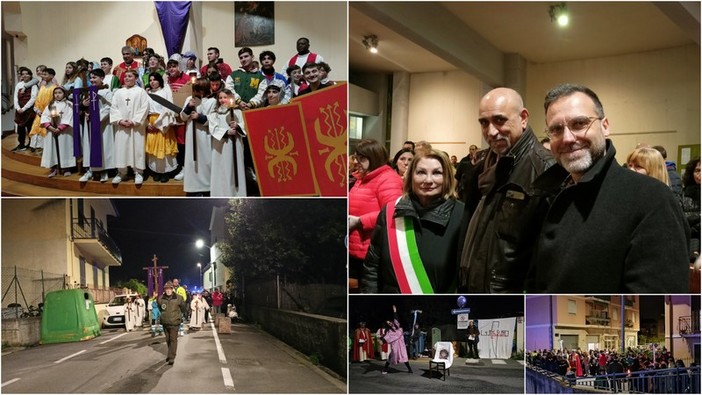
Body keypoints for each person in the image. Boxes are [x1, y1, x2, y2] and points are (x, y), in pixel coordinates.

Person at [527, 83, 690, 292]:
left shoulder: (651, 198)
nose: (567, 138)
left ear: (605, 126)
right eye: (556, 129)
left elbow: (659, 297)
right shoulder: (551, 193)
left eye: (579, 123)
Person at [458, 87, 554, 293]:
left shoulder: (544, 171)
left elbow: (549, 257)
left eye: (499, 120)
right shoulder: (483, 167)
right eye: (484, 123)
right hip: (473, 286)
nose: (491, 132)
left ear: (523, 118)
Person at [362, 149, 464, 293]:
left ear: (447, 177)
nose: (428, 180)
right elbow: (372, 268)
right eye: (421, 172)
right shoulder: (390, 212)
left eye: (437, 173)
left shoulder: (462, 215)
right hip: (392, 311)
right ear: (410, 176)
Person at [348, 139, 403, 292]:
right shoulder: (363, 177)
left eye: (362, 158)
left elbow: (392, 212)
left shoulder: (388, 179)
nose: (357, 161)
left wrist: (360, 221)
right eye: (355, 157)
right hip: (357, 249)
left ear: (375, 158)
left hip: (371, 251)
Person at [110, 69, 149, 185]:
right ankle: (122, 172)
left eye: (130, 76)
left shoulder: (141, 92)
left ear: (136, 78)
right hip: (122, 127)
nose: (127, 78)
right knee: (122, 148)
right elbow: (114, 108)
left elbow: (145, 107)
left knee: (137, 148)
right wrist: (120, 120)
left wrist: (134, 121)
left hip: (136, 127)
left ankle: (138, 172)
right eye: (125, 76)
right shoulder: (118, 92)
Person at [180, 78, 216, 196]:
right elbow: (183, 117)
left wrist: (200, 117)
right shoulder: (189, 99)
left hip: (204, 136)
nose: (198, 92)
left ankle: (206, 187)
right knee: (192, 161)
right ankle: (193, 188)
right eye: (196, 89)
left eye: (200, 89)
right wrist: (189, 107)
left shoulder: (212, 101)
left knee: (205, 161)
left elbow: (214, 120)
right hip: (191, 135)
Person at [208, 89, 247, 197]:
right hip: (221, 146)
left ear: (231, 98)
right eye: (220, 98)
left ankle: (237, 194)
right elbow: (213, 128)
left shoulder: (238, 112)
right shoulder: (214, 113)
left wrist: (237, 126)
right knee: (222, 170)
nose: (222, 100)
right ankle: (222, 195)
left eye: (225, 97)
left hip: (236, 144)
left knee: (235, 170)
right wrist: (226, 132)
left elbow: (245, 126)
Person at [79, 69, 115, 183]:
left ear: (102, 78)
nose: (92, 80)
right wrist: (84, 106)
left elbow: (109, 107)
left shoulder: (106, 92)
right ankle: (90, 170)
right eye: (91, 78)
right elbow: (84, 105)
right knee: (89, 146)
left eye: (95, 77)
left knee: (103, 146)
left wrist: (97, 118)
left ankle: (104, 170)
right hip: (89, 122)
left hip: (102, 124)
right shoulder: (89, 91)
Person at [145, 72, 178, 183]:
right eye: (150, 80)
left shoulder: (165, 91)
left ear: (160, 80)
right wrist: (147, 124)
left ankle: (165, 172)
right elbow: (144, 110)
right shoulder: (147, 93)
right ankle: (156, 171)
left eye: (155, 79)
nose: (152, 82)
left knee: (164, 148)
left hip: (163, 122)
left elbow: (168, 107)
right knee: (153, 148)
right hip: (151, 121)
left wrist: (158, 124)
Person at [40, 86, 76, 177]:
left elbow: (69, 117)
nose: (57, 95)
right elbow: (45, 116)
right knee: (53, 149)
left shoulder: (68, 104)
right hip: (52, 131)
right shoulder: (51, 105)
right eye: (55, 93)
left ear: (64, 94)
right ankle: (54, 168)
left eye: (60, 93)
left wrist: (59, 128)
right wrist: (50, 127)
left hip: (64, 131)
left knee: (65, 148)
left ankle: (66, 168)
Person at [28, 67, 57, 152]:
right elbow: (38, 100)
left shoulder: (54, 87)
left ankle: (48, 150)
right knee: (37, 129)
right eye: (43, 74)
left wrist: (50, 113)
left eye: (45, 74)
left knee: (47, 130)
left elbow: (54, 102)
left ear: (51, 76)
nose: (43, 76)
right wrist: (37, 110)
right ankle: (38, 148)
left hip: (48, 114)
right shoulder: (42, 87)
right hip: (40, 113)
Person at [158, 281, 188, 365]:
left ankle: (171, 357)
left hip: (175, 322)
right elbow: (160, 308)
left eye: (169, 289)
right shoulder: (161, 298)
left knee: (173, 339)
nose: (168, 291)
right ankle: (170, 354)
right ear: (164, 290)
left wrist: (180, 316)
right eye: (166, 289)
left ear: (172, 289)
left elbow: (183, 308)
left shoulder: (179, 298)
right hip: (165, 322)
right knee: (168, 340)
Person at [380, 305, 412, 374]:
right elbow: (387, 337)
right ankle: (385, 369)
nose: (390, 323)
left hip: (401, 346)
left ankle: (410, 369)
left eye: (390, 322)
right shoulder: (389, 332)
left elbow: (396, 319)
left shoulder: (398, 327)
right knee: (391, 357)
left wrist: (395, 312)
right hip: (395, 347)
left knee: (404, 356)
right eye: (388, 323)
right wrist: (382, 341)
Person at [13, 67, 38, 152]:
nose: (25, 75)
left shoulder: (34, 85)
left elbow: (33, 98)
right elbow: (15, 97)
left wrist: (24, 108)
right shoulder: (19, 85)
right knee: (20, 128)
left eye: (26, 74)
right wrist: (17, 108)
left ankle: (31, 144)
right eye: (23, 74)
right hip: (19, 109)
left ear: (30, 75)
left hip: (28, 110)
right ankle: (21, 144)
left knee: (30, 127)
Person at [682, 157, 701, 261]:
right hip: (691, 241)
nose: (700, 174)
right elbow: (683, 218)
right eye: (697, 170)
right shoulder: (685, 193)